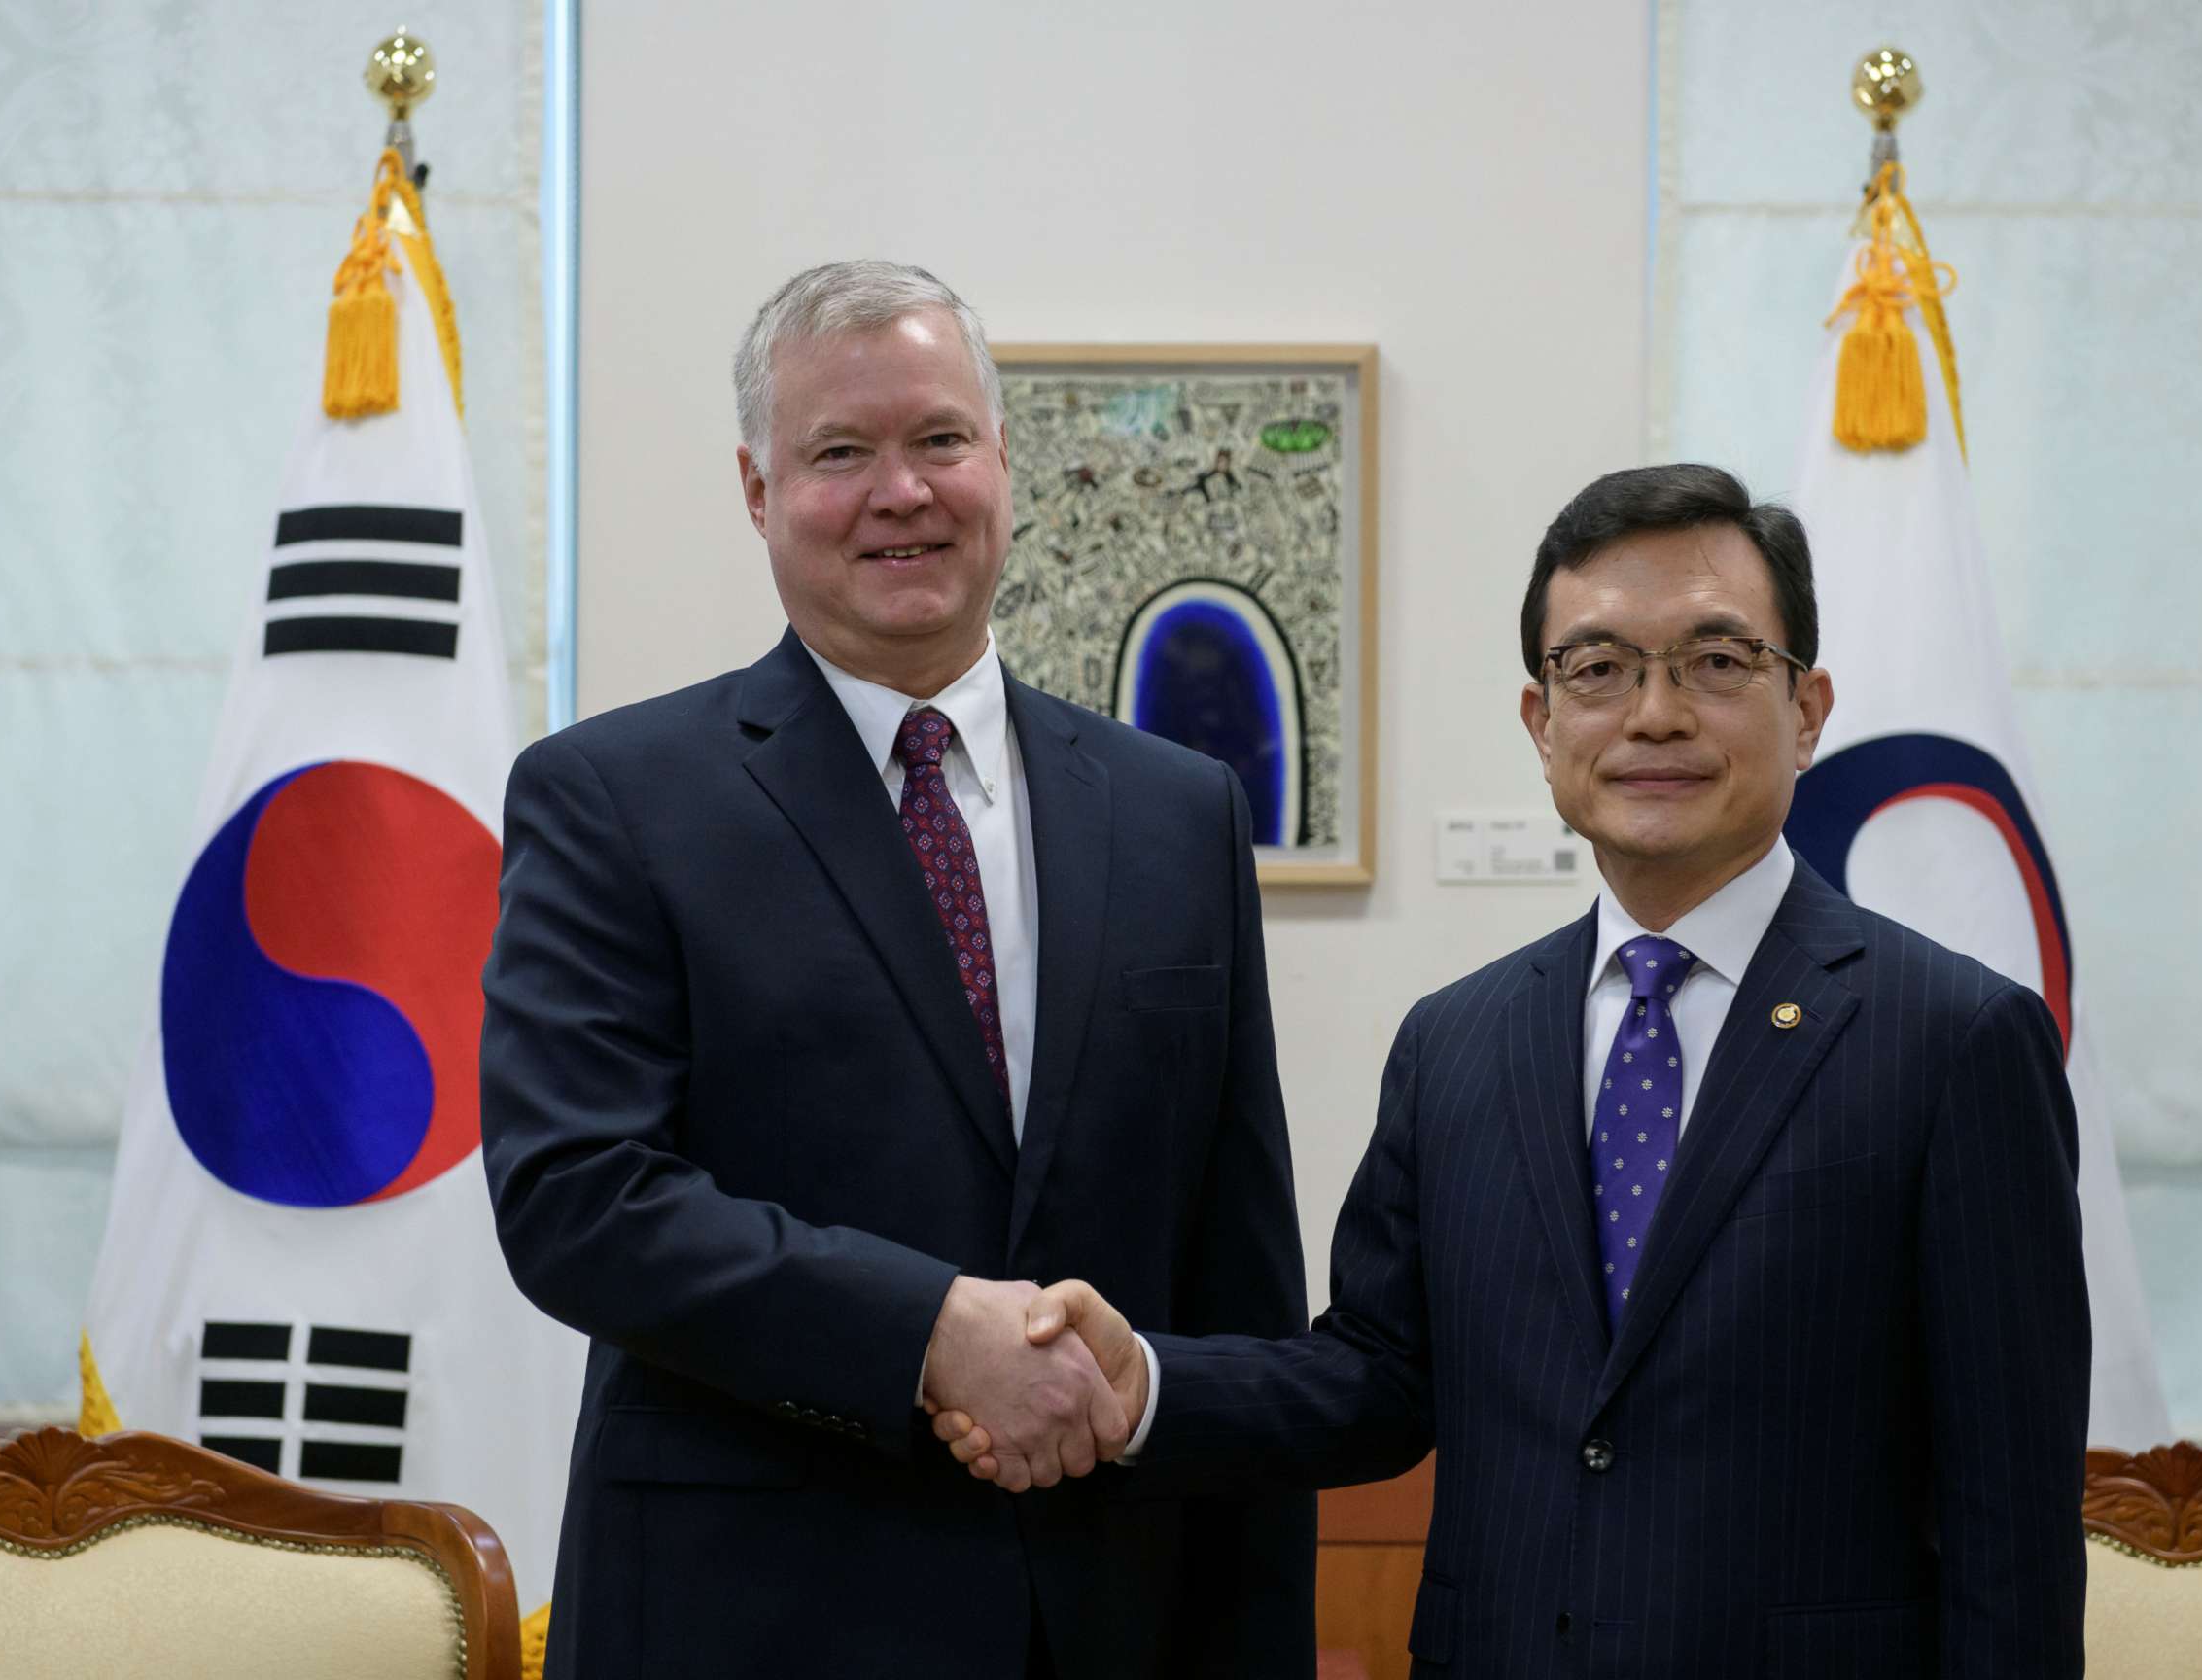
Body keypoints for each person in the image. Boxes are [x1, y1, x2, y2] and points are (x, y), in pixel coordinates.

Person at [942, 465, 2092, 1677]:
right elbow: (1377, 1379)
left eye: (1715, 661)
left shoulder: (1957, 1040)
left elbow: (2009, 1525)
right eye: (1598, 670)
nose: (1655, 715)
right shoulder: (1459, 1042)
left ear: (1806, 709)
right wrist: (1148, 1388)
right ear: (1544, 726)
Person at [480, 261, 1313, 1679]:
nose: (902, 492)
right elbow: (578, 1200)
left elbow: (1236, 1275)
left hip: (1108, 1613)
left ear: (1003, 460)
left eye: (939, 440)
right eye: (840, 454)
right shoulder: (614, 798)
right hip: (746, 1619)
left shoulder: (1180, 811)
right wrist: (931, 1332)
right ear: (757, 491)